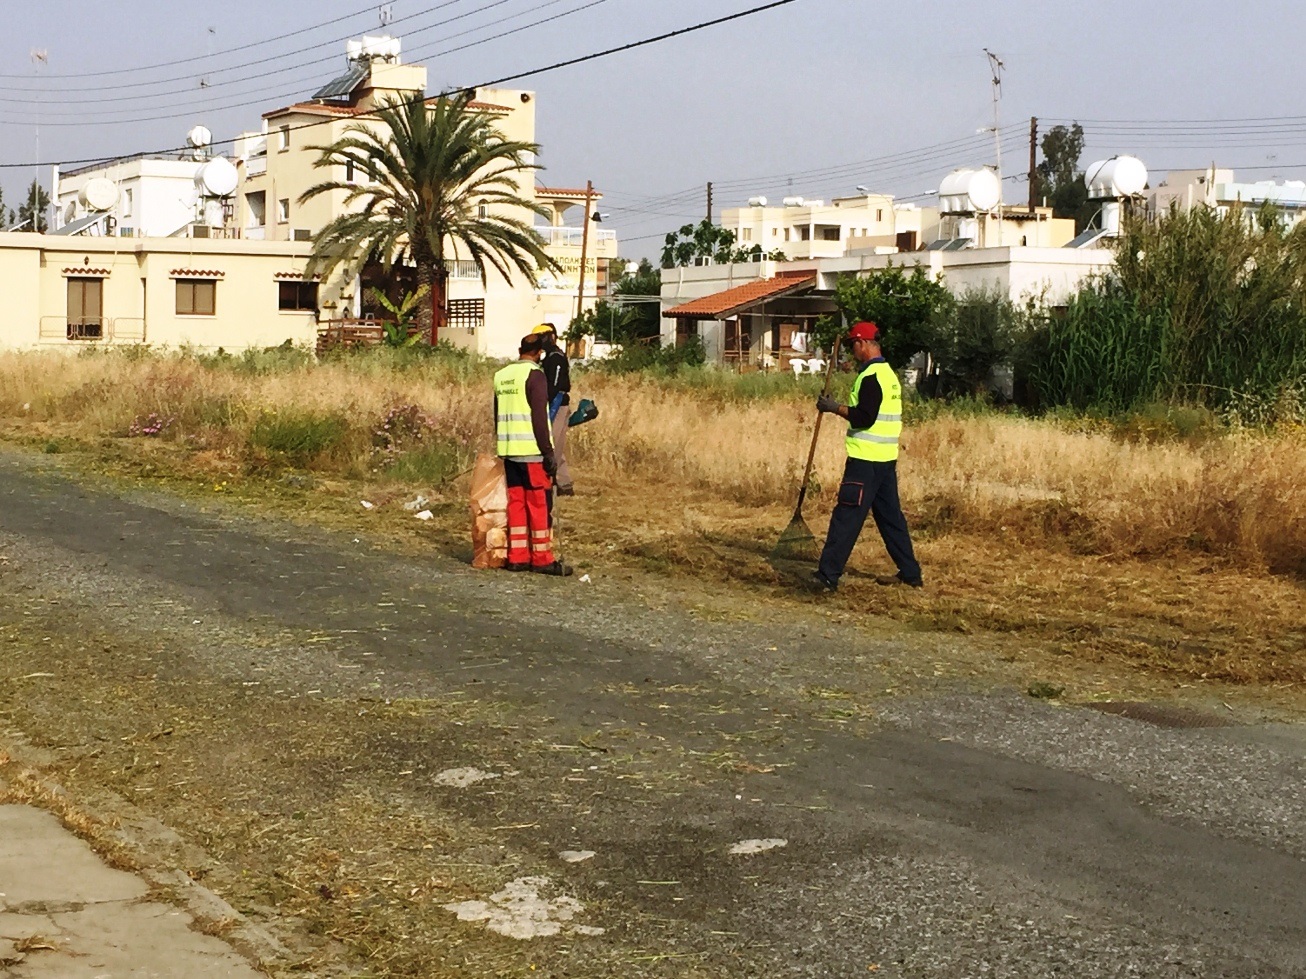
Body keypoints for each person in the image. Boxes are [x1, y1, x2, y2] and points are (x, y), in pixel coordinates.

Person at [810, 320, 923, 591]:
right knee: (891, 519)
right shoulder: (889, 375)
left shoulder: (871, 377)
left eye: (854, 345)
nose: (853, 351)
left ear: (863, 343)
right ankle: (910, 573)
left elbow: (864, 418)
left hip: (865, 462)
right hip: (885, 460)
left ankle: (827, 576)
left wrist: (833, 407)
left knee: (846, 517)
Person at [493, 332, 572, 576]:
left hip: (508, 451)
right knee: (538, 504)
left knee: (516, 504)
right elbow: (540, 417)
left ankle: (517, 558)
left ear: (520, 350)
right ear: (539, 353)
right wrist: (548, 453)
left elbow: (497, 415)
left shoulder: (502, 375)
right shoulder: (535, 376)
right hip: (531, 452)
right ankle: (541, 559)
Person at [532, 323, 575, 496]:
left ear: (551, 337)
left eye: (542, 337)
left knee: (553, 445)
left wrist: (545, 402)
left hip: (558, 404)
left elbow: (555, 385)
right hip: (555, 403)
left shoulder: (555, 357)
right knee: (557, 445)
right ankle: (564, 484)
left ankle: (552, 484)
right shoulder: (549, 356)